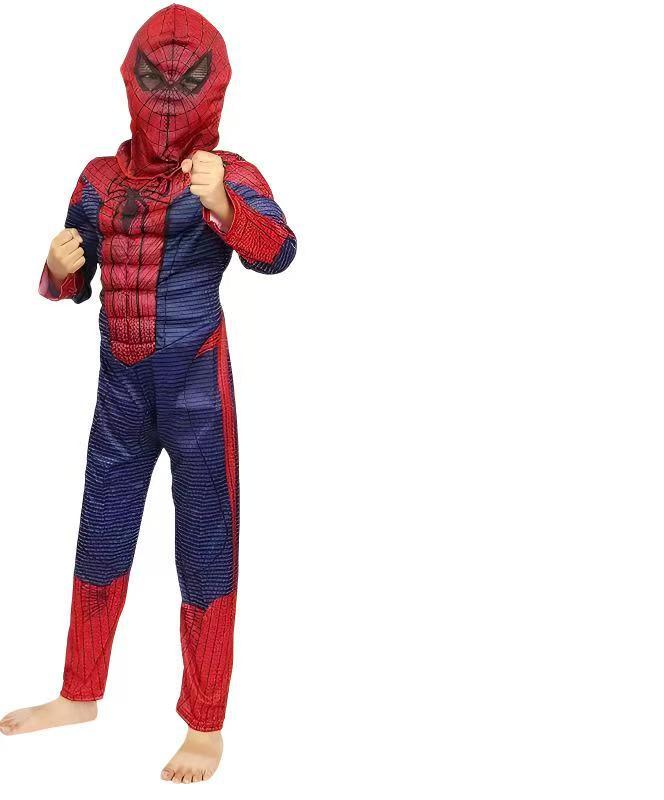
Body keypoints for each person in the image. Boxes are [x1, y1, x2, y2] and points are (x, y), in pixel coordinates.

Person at [0, 4, 296, 784]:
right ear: (129, 81)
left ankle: (205, 723)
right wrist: (57, 269)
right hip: (121, 390)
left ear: (213, 86)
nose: (167, 98)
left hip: (197, 385)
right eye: (153, 79)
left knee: (206, 546)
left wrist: (224, 203)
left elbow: (279, 253)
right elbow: (72, 280)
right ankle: (80, 693)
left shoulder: (230, 172)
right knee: (99, 535)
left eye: (186, 81)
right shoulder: (97, 178)